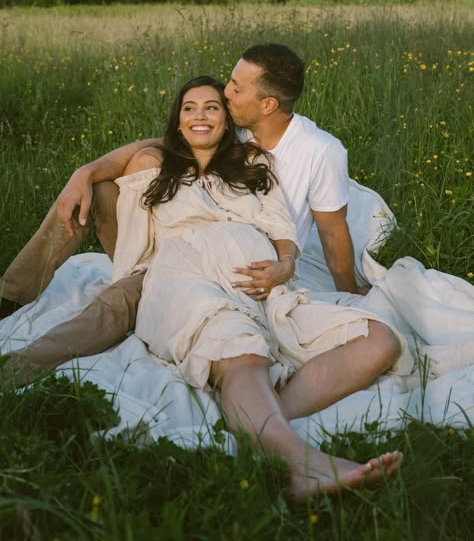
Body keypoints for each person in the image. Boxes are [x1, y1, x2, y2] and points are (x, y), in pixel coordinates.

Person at [106, 74, 406, 498]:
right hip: (188, 279)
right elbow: (134, 247)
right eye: (189, 107)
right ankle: (302, 464)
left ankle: (252, 417)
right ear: (177, 121)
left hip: (262, 286)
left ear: (227, 121)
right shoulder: (151, 167)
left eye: (212, 106)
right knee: (242, 353)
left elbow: (282, 230)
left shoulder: (253, 164)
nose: (200, 115)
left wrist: (285, 265)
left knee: (380, 340)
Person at [1, 45, 362, 373]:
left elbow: (330, 231)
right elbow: (158, 143)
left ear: (267, 104)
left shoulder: (316, 150)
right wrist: (85, 172)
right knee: (92, 192)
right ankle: (10, 296)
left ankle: (19, 366)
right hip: (164, 245)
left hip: (226, 261)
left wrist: (346, 295)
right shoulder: (232, 128)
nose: (227, 92)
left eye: (236, 87)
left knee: (118, 302)